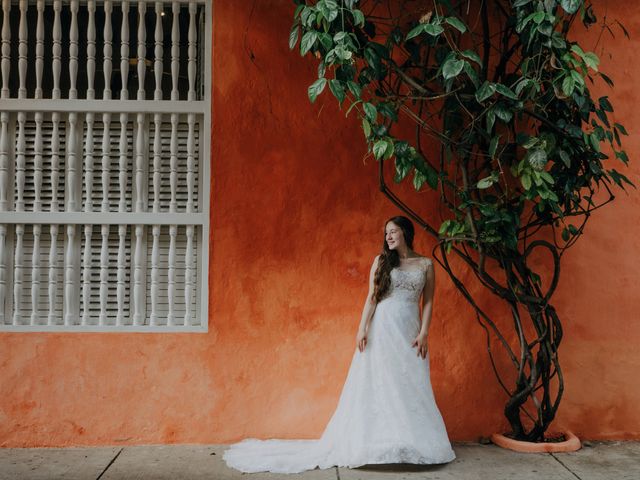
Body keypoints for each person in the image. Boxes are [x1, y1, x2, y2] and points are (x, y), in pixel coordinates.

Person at [223, 216, 456, 474]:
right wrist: (362, 329)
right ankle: (382, 443)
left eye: (393, 232)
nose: (388, 237)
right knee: (381, 382)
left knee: (410, 382)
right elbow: (371, 298)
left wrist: (424, 332)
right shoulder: (381, 261)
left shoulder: (425, 264)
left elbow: (429, 302)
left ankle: (413, 442)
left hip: (410, 330)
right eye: (386, 233)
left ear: (406, 233)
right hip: (383, 329)